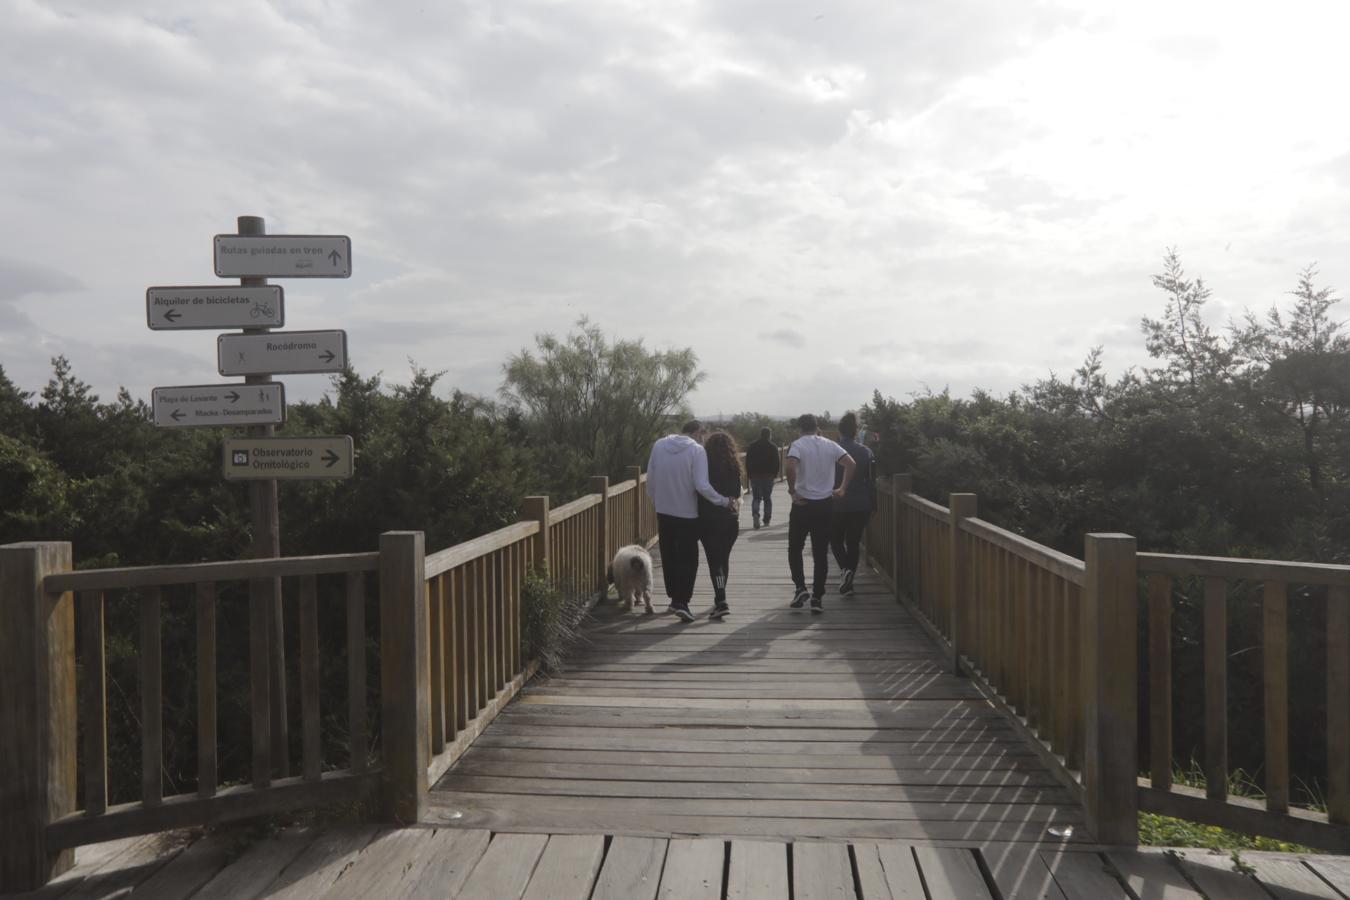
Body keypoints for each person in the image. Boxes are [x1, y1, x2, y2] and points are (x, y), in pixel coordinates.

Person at [646, 420, 739, 621]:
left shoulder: (659, 445)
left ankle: (673, 599)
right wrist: (723, 501)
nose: (703, 439)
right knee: (689, 559)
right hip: (687, 513)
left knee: (669, 556)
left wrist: (655, 500)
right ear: (697, 433)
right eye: (702, 434)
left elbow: (651, 477)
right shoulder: (696, 451)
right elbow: (701, 485)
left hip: (663, 511)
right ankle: (682, 601)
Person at [786, 414, 855, 613]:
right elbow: (851, 464)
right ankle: (817, 598)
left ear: (800, 428)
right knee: (820, 553)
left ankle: (800, 588)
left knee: (795, 548)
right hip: (824, 505)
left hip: (802, 504)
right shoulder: (830, 445)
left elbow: (790, 466)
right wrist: (841, 488)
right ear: (817, 427)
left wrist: (792, 490)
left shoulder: (797, 445)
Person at [830, 412, 876, 597]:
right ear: (856, 431)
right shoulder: (866, 452)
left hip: (836, 503)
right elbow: (872, 481)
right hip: (861, 504)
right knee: (853, 542)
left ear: (840, 431)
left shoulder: (832, 450)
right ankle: (848, 578)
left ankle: (845, 572)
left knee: (835, 540)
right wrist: (874, 505)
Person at [699, 431, 743, 619]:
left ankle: (721, 600)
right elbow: (736, 491)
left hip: (708, 519)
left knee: (714, 562)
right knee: (723, 560)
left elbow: (700, 488)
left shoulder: (704, 465)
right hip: (730, 520)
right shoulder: (734, 465)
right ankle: (719, 599)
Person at [745, 426, 780, 529]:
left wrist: (749, 474)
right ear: (770, 435)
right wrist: (775, 474)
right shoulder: (773, 446)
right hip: (768, 476)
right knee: (767, 498)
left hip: (755, 475)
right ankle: (766, 520)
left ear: (760, 434)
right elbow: (777, 462)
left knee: (756, 498)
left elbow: (747, 461)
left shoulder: (752, 446)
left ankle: (755, 514)